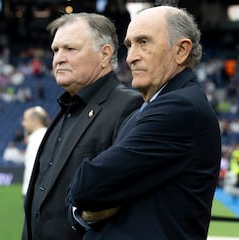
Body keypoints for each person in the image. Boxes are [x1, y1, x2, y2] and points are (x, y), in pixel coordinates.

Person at [67, 6, 221, 240]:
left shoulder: (179, 109)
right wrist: (83, 211)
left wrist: (86, 202)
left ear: (181, 50)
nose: (130, 57)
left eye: (143, 42)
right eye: (129, 45)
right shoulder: (145, 110)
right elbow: (84, 193)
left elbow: (85, 185)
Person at [22, 13, 143, 240]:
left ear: (105, 54)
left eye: (70, 49)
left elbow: (123, 194)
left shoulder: (127, 106)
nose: (58, 58)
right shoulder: (64, 109)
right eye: (56, 50)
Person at [21, 106, 49, 197]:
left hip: (35, 192)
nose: (23, 124)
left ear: (35, 121)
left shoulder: (42, 137)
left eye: (26, 120)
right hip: (32, 190)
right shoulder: (37, 136)